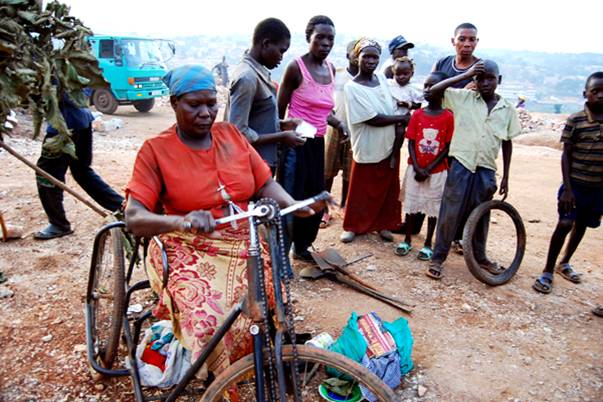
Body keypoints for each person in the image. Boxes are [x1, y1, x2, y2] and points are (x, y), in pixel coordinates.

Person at [124, 65, 324, 375]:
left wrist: (293, 205)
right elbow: (134, 217)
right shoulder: (155, 151)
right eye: (194, 105)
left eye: (211, 103)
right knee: (210, 318)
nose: (206, 113)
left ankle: (263, 349)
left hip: (244, 240)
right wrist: (182, 221)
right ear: (174, 103)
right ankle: (217, 374)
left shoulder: (230, 135)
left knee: (270, 295)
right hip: (185, 244)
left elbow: (263, 183)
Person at [425, 60, 521, 279]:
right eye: (480, 78)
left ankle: (480, 257)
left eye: (490, 78)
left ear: (499, 80)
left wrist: (505, 176)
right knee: (450, 212)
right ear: (474, 80)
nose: (485, 83)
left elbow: (507, 142)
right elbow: (434, 92)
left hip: (486, 168)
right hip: (461, 164)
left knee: (481, 214)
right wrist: (464, 75)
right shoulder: (464, 98)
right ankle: (438, 258)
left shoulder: (507, 108)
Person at [277, 15, 344, 260]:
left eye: (330, 39)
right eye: (320, 38)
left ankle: (302, 247)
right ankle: (281, 253)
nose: (326, 43)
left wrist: (339, 124)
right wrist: (282, 139)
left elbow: (325, 111)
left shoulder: (330, 69)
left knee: (314, 196)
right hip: (296, 145)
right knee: (291, 199)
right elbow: (279, 110)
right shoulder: (296, 68)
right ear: (309, 39)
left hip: (317, 144)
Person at [533, 72, 603, 294]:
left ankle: (564, 262)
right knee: (564, 224)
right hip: (575, 186)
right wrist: (568, 189)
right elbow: (566, 155)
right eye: (595, 91)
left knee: (582, 224)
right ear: (586, 94)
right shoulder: (576, 120)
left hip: (597, 188)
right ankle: (547, 271)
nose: (600, 96)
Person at [340, 38, 409, 244]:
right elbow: (372, 118)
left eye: (375, 57)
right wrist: (401, 118)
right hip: (368, 142)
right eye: (366, 56)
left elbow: (391, 104)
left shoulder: (381, 79)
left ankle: (383, 224)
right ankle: (352, 225)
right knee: (361, 187)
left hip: (388, 142)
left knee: (387, 187)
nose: (371, 60)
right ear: (357, 58)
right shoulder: (351, 87)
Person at [34, 91, 124, 240]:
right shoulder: (72, 69)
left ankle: (59, 224)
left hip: (64, 126)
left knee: (46, 174)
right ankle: (123, 208)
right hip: (82, 119)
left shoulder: (53, 70)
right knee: (82, 172)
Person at [225, 18, 305, 174]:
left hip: (261, 163)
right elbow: (238, 132)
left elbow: (255, 118)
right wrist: (281, 136)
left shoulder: (257, 72)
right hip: (250, 165)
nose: (281, 58)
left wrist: (281, 124)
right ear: (266, 43)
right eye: (281, 51)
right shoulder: (247, 78)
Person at [394, 72, 454, 261]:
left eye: (432, 86)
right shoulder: (418, 114)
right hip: (415, 168)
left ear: (443, 90)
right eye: (426, 86)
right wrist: (419, 167)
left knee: (433, 208)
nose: (427, 90)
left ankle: (428, 243)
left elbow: (446, 147)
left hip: (437, 172)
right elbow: (411, 142)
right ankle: (407, 239)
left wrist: (429, 168)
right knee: (412, 205)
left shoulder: (448, 117)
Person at [322, 39, 358, 226]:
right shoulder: (337, 74)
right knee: (328, 171)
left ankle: (344, 205)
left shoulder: (365, 78)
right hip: (334, 128)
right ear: (348, 55)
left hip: (355, 131)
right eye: (355, 52)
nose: (358, 57)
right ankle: (325, 208)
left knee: (349, 173)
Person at [432, 23, 481, 89]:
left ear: (476, 41)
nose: (467, 44)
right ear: (453, 41)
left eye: (472, 40)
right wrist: (463, 92)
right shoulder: (441, 63)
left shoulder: (481, 68)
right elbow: (429, 92)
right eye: (461, 39)